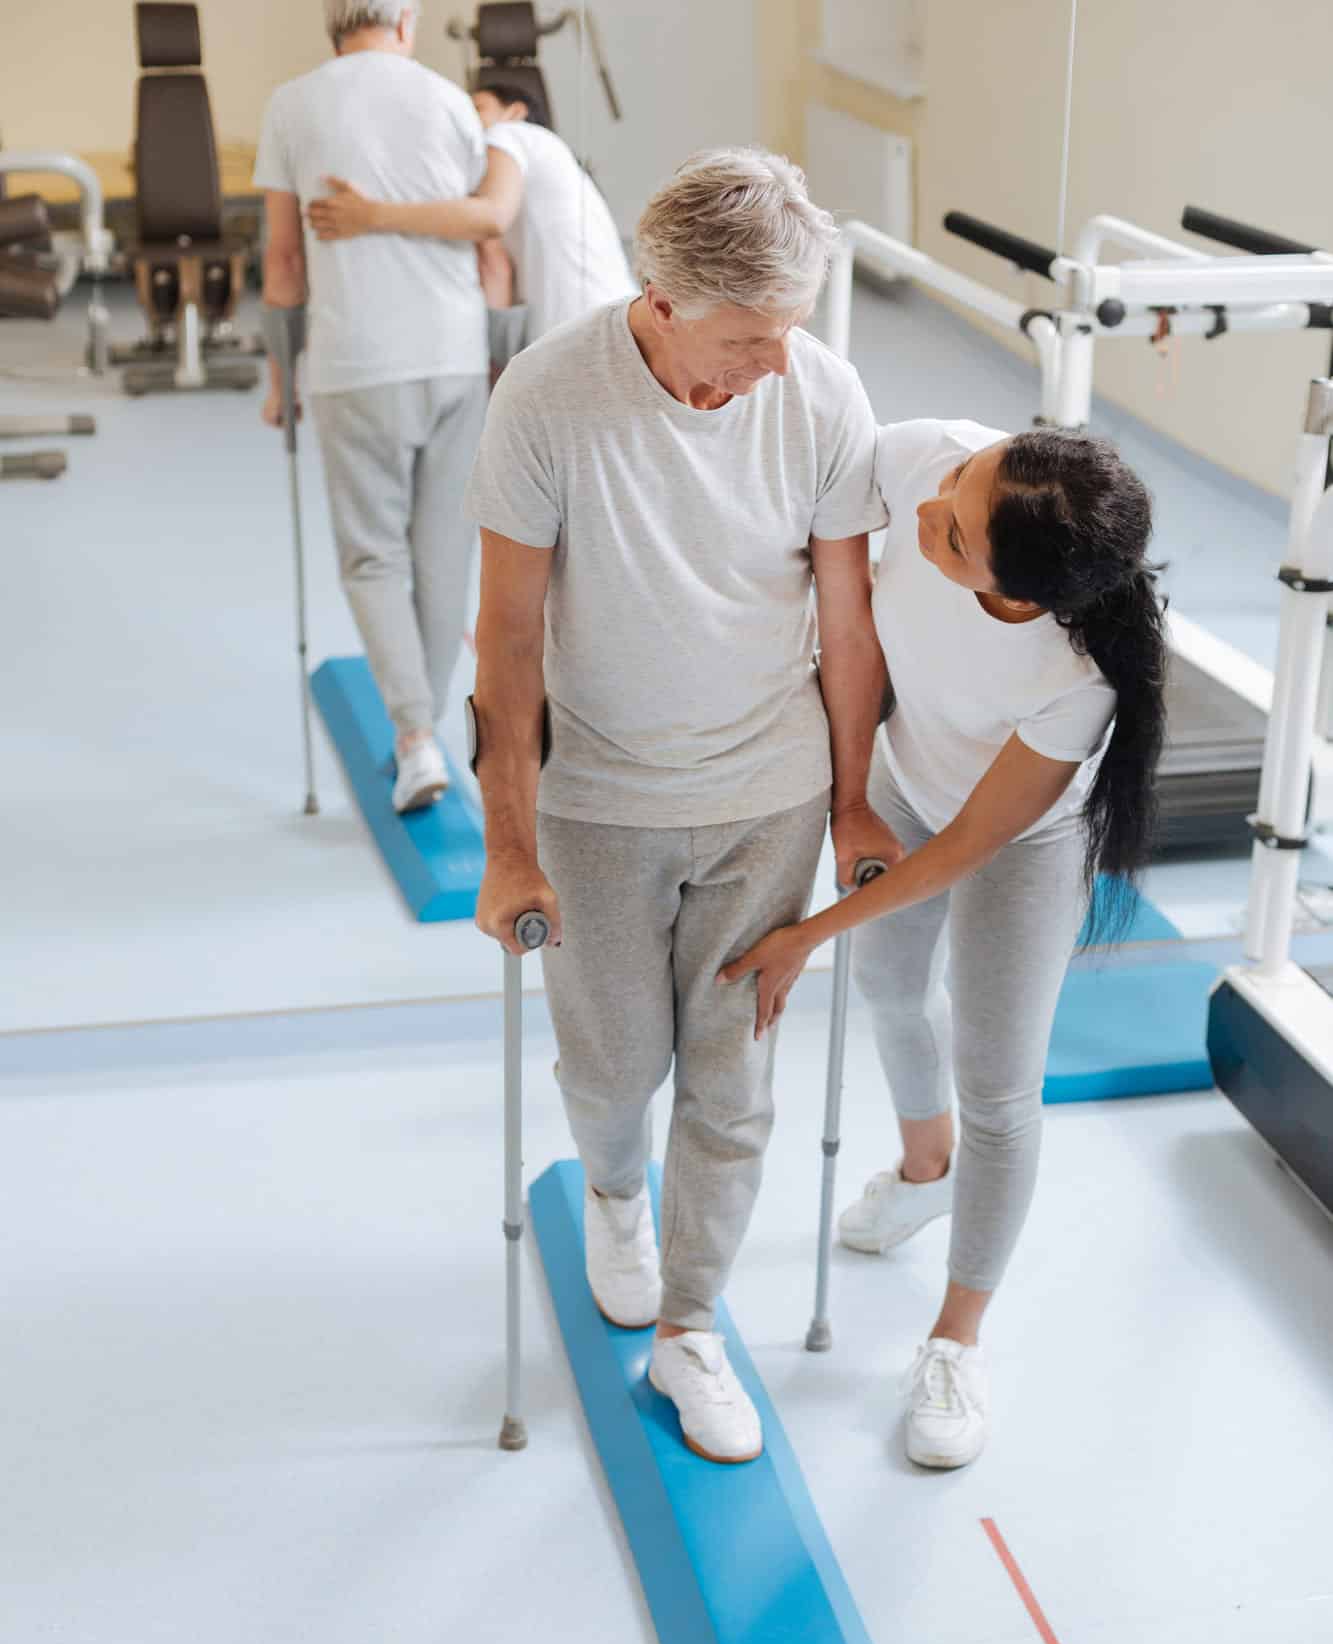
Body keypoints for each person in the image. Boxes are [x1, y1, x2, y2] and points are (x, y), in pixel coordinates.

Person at [466, 150, 897, 1466]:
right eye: (745, 337)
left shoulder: (816, 390)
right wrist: (507, 844)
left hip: (761, 797)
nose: (774, 362)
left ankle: (695, 1326)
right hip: (598, 801)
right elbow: (509, 635)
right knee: (614, 1070)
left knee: (733, 1079)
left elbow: (845, 615)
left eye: (790, 331)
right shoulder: (547, 400)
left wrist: (853, 805)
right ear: (657, 298)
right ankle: (611, 1185)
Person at [720, 421, 1168, 1472]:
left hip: (1011, 841)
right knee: (885, 984)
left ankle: (955, 1339)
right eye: (959, 485)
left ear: (1029, 593)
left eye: (956, 536)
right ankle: (926, 1172)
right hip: (903, 777)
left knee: (1000, 1084)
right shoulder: (932, 455)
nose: (929, 512)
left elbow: (971, 845)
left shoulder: (1076, 675)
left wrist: (803, 937)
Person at [255, 0, 490, 814]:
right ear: (406, 21)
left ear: (333, 21)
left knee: (373, 559)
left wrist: (281, 378)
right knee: (442, 557)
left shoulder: (294, 101)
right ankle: (420, 728)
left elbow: (283, 261)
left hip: (356, 363)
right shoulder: (448, 101)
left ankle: (415, 734)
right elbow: (480, 231)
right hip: (456, 355)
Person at [306, 80, 634, 350]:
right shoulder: (545, 157)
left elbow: (490, 219)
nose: (465, 120)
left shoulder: (510, 134)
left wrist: (371, 215)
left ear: (515, 112)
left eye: (476, 109)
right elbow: (496, 263)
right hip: (603, 321)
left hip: (587, 327)